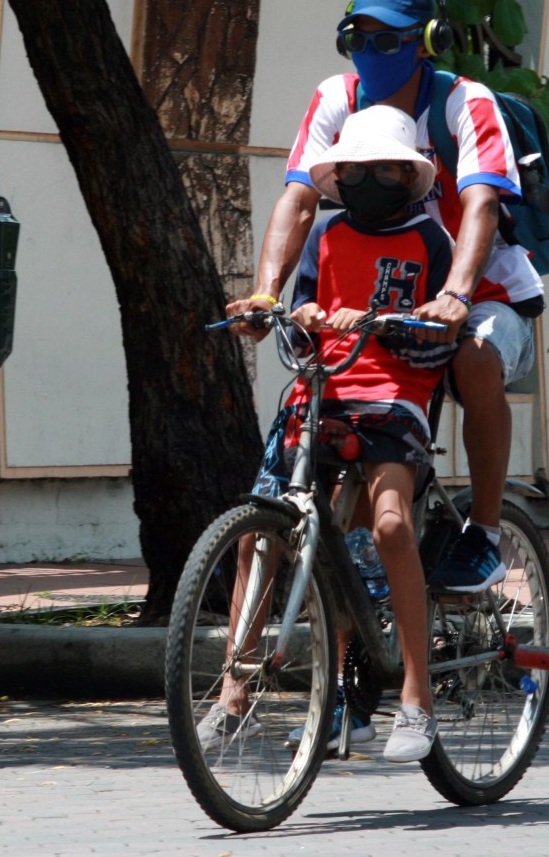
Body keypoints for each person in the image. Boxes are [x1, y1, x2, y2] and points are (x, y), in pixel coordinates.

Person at [227, 0, 545, 594]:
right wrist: (266, 293)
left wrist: (455, 295)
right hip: (378, 306)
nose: (371, 53)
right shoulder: (336, 98)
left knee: (474, 357)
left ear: (428, 41)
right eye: (358, 39)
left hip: (482, 296)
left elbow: (481, 204)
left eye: (388, 39)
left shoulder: (465, 103)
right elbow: (299, 199)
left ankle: (482, 535)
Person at [199, 105, 456, 762]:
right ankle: (234, 691)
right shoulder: (326, 234)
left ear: (409, 175)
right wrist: (295, 316)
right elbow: (299, 330)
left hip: (395, 400)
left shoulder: (432, 241)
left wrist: (383, 322)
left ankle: (417, 698)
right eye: (354, 170)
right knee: (259, 527)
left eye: (383, 169)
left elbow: (440, 341)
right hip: (320, 396)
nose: (366, 180)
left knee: (390, 526)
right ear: (337, 176)